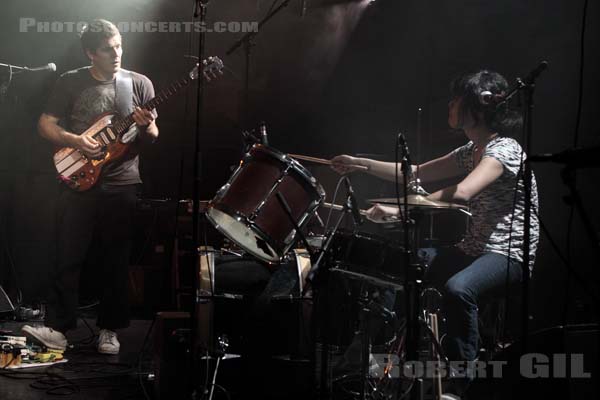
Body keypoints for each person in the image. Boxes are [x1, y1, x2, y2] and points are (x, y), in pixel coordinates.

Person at [331, 70, 539, 379]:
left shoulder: (504, 149)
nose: (450, 105)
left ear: (479, 105)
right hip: (473, 249)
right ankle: (372, 354)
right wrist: (360, 164)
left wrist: (397, 210)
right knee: (400, 265)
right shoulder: (471, 151)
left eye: (457, 99)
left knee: (459, 290)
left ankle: (463, 380)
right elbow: (413, 173)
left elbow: (464, 192)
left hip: (509, 255)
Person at [22, 19, 158, 355]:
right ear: (90, 53)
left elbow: (153, 137)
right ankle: (59, 328)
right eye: (108, 49)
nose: (116, 54)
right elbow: (45, 126)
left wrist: (148, 125)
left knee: (115, 258)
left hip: (122, 181)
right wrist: (77, 141)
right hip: (78, 177)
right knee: (68, 255)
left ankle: (109, 329)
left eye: (119, 46)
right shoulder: (70, 82)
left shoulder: (138, 83)